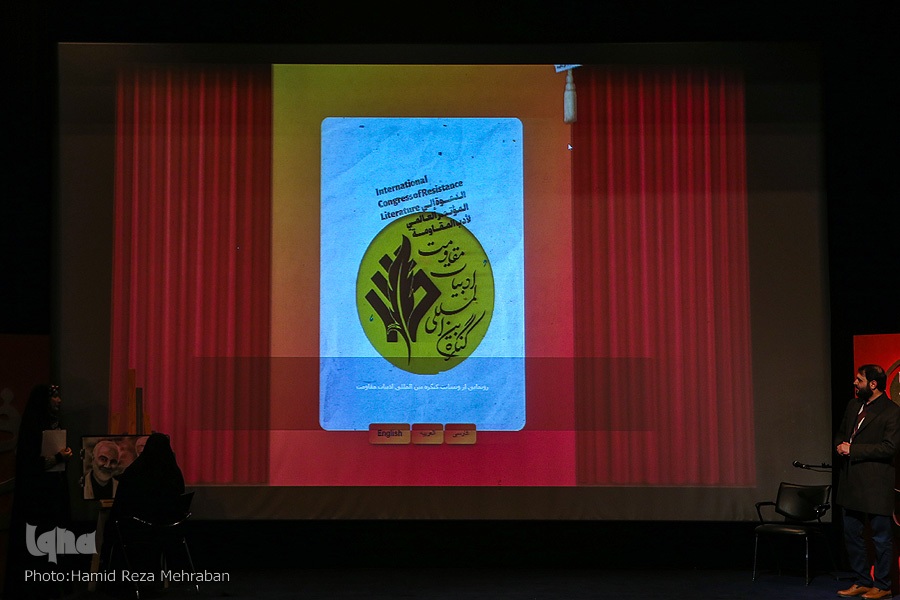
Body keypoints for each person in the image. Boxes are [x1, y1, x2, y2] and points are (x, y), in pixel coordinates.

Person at [834, 364, 900, 600]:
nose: (855, 383)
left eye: (859, 380)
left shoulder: (892, 412)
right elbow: (842, 432)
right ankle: (862, 580)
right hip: (851, 482)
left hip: (876, 485)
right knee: (852, 534)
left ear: (873, 384)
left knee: (881, 538)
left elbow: (889, 447)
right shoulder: (854, 405)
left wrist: (853, 450)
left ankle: (883, 585)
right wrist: (839, 445)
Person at [3, 383, 74, 599]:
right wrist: (59, 457)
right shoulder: (33, 426)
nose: (58, 400)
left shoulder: (54, 423)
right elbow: (32, 463)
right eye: (54, 396)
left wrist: (63, 457)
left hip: (53, 495)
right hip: (37, 499)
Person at [100, 432, 186, 574]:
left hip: (138, 532)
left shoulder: (134, 472)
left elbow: (122, 505)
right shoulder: (173, 471)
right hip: (170, 531)